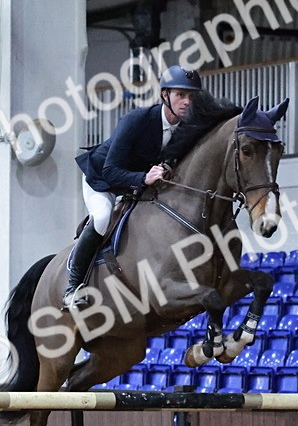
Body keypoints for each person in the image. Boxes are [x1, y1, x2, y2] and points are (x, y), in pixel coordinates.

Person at [64, 65, 203, 309]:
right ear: (165, 96)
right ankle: (73, 286)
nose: (187, 102)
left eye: (191, 96)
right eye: (181, 95)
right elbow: (110, 170)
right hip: (103, 180)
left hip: (135, 186)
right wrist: (143, 179)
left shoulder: (186, 130)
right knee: (102, 217)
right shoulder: (137, 120)